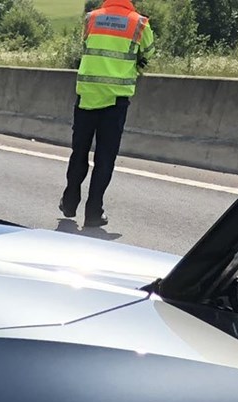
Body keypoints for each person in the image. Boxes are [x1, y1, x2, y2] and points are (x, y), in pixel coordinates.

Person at [60, 0, 154, 230]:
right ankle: (93, 213)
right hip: (115, 100)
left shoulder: (91, 18)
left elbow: (86, 46)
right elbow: (148, 54)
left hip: (87, 95)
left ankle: (69, 202)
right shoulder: (140, 23)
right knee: (104, 158)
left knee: (79, 152)